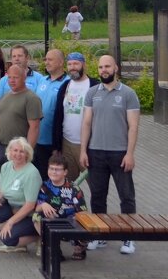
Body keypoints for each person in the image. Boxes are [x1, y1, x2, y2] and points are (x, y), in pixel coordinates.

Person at [79, 54, 140, 255]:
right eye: (100, 67)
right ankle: (100, 235)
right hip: (96, 152)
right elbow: (86, 123)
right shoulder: (92, 93)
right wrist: (83, 150)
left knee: (126, 196)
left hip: (120, 153)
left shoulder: (128, 94)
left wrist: (130, 153)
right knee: (97, 196)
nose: (103, 70)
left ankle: (129, 237)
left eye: (107, 66)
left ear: (116, 68)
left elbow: (133, 127)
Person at [0, 64, 42, 195]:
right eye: (9, 77)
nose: (12, 80)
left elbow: (34, 127)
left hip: (19, 151)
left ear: (24, 78)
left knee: (16, 186)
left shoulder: (31, 99)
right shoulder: (5, 97)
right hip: (1, 148)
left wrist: (27, 153)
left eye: (15, 77)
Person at [33, 153, 88, 262]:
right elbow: (36, 208)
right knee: (36, 216)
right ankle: (53, 246)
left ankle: (80, 247)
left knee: (83, 222)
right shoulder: (44, 186)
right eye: (51, 168)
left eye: (57, 169)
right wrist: (43, 205)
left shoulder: (74, 188)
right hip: (54, 219)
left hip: (71, 221)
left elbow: (83, 212)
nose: (53, 172)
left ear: (65, 172)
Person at [51, 51, 97, 182]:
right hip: (67, 144)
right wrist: (56, 146)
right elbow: (58, 117)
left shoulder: (94, 86)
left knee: (95, 184)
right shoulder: (65, 86)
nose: (72, 67)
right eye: (70, 64)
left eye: (76, 63)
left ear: (84, 65)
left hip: (88, 145)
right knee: (66, 184)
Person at [33, 49, 69, 174]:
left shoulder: (68, 83)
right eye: (45, 59)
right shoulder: (43, 80)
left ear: (60, 62)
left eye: (50, 60)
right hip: (37, 138)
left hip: (53, 141)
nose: (46, 62)